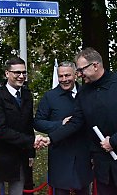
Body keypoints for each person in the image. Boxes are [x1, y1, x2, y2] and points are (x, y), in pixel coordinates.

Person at [41, 47, 117, 195]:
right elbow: (76, 122)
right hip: (104, 163)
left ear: (95, 65)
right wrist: (51, 138)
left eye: (81, 70)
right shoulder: (84, 92)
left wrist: (114, 141)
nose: (79, 75)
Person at [34, 61, 93, 195]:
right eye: (61, 76)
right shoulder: (50, 97)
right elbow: (38, 122)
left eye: (67, 75)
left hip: (83, 154)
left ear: (76, 75)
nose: (64, 79)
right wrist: (59, 124)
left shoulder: (87, 93)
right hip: (60, 154)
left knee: (84, 189)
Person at [0, 57, 39, 195]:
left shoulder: (27, 95)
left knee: (18, 192)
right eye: (17, 72)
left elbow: (28, 125)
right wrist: (30, 141)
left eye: (24, 72)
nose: (21, 76)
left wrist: (31, 152)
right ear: (7, 73)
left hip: (20, 156)